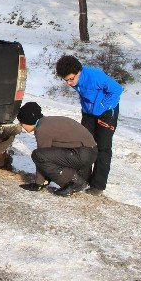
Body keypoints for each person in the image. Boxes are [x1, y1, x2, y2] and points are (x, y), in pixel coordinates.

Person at [56, 55, 123, 196]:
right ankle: (82, 180)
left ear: (79, 72)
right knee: (84, 144)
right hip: (88, 112)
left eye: (71, 79)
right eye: (66, 80)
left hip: (106, 112)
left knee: (102, 148)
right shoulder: (75, 81)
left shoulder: (95, 76)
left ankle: (97, 185)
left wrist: (102, 106)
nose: (69, 83)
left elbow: (117, 89)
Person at [17, 102, 98, 197]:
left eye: (21, 123)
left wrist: (38, 183)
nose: (21, 126)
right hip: (88, 152)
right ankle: (79, 178)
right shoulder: (47, 122)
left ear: (28, 120)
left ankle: (74, 182)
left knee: (38, 155)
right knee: (49, 153)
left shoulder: (42, 129)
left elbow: (41, 156)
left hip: (83, 154)